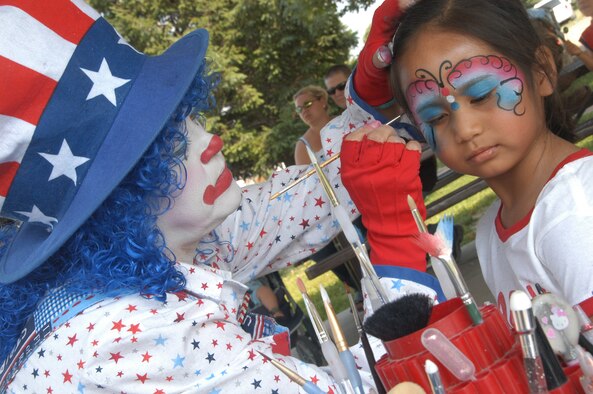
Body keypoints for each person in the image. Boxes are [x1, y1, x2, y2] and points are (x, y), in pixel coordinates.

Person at [0, 0, 442, 392]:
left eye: (187, 115)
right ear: (110, 199)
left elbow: (312, 195)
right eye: (166, 143)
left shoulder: (160, 253)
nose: (209, 138)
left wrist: (372, 100)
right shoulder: (130, 340)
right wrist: (397, 244)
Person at [342, 0, 593, 322]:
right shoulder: (491, 230)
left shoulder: (576, 215)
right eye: (435, 116)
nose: (465, 129)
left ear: (541, 71)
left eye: (481, 95)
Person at [293, 85, 332, 165]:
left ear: (322, 101)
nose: (304, 110)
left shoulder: (344, 122)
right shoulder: (302, 146)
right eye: (299, 109)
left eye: (307, 104)